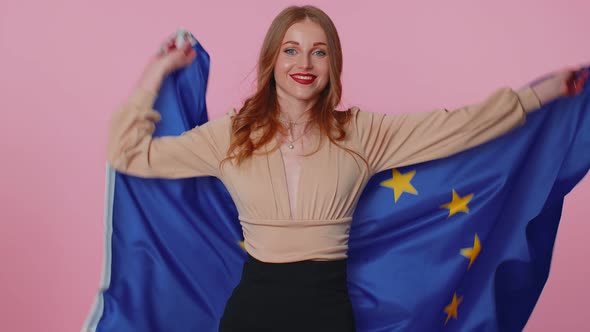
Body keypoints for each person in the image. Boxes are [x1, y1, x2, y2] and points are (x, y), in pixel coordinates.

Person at [106, 5, 588, 332]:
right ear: (272, 59)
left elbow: (459, 127)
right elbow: (130, 153)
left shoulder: (361, 132)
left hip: (327, 312)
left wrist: (540, 94)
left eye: (319, 51)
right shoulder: (230, 135)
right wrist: (158, 71)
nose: (305, 62)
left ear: (333, 64)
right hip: (252, 311)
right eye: (291, 49)